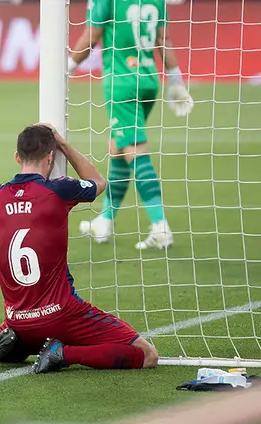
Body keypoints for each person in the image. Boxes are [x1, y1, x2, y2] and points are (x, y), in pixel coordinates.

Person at [0, 124, 158, 373]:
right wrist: (64, 145)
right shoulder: (57, 190)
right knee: (147, 355)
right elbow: (98, 182)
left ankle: (12, 342)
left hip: (16, 319)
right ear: (51, 157)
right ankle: (62, 354)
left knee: (26, 329)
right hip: (60, 316)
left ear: (17, 157)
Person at [68, 0, 194, 249]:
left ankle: (160, 226)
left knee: (134, 150)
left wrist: (67, 68)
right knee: (118, 148)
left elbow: (93, 34)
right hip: (148, 81)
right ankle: (105, 219)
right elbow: (164, 38)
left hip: (121, 83)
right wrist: (176, 80)